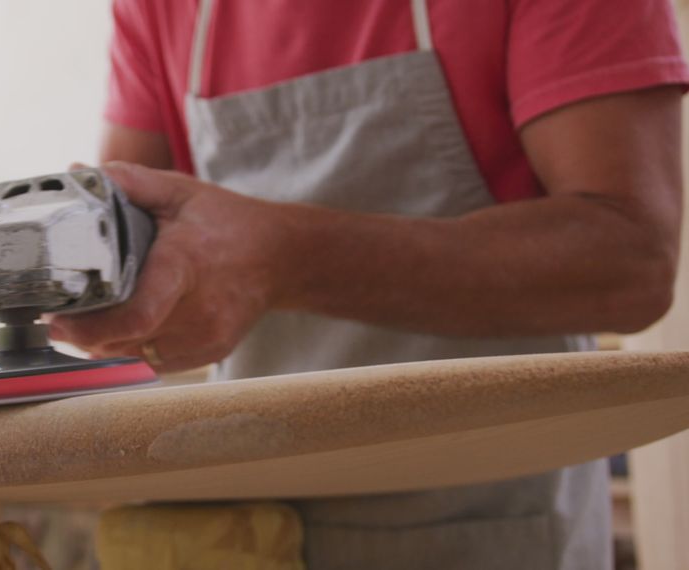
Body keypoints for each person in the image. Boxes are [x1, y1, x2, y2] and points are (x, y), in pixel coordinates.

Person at [49, 1, 688, 568]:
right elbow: (131, 247)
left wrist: (286, 257)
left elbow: (631, 260)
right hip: (252, 529)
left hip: (485, 526)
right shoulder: (156, 8)